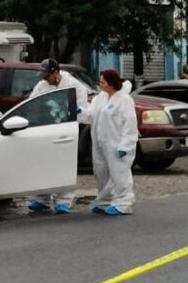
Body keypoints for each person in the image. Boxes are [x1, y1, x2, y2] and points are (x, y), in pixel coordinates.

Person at [27, 58, 89, 215]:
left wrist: (77, 112)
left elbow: (82, 111)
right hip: (47, 130)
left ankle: (64, 201)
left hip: (66, 131)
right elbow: (32, 103)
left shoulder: (75, 86)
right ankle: (42, 199)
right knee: (44, 164)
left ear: (56, 72)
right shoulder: (42, 86)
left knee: (65, 165)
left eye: (47, 75)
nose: (45, 79)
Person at [81, 69, 138, 216]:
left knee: (119, 174)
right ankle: (104, 201)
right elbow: (90, 115)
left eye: (103, 82)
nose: (101, 85)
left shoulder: (124, 99)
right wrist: (80, 111)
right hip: (100, 143)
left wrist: (126, 145)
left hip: (116, 144)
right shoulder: (101, 98)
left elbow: (130, 123)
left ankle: (124, 203)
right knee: (101, 173)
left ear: (112, 83)